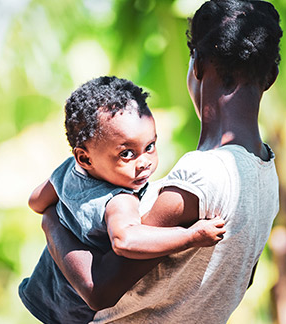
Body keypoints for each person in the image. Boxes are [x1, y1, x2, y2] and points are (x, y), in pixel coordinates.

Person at [41, 0, 283, 322]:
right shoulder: (266, 178)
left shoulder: (204, 173)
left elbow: (99, 288)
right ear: (270, 77)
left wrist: (51, 222)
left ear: (196, 65)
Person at [18, 76, 226, 324]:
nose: (144, 163)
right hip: (73, 315)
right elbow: (125, 240)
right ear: (85, 158)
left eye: (150, 146)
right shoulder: (120, 201)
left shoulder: (66, 170)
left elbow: (36, 202)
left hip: (39, 295)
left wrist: (57, 218)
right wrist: (191, 236)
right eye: (127, 154)